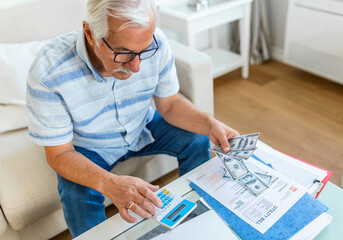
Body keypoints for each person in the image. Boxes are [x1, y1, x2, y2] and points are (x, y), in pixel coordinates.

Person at [26, 0, 239, 237]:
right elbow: (59, 154)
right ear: (89, 33)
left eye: (143, 51)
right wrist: (110, 184)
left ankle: (197, 220)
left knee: (197, 138)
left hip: (142, 124)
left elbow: (170, 105)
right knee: (76, 194)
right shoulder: (48, 71)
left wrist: (210, 123)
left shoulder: (157, 42)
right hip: (87, 147)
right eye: (123, 53)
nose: (136, 67)